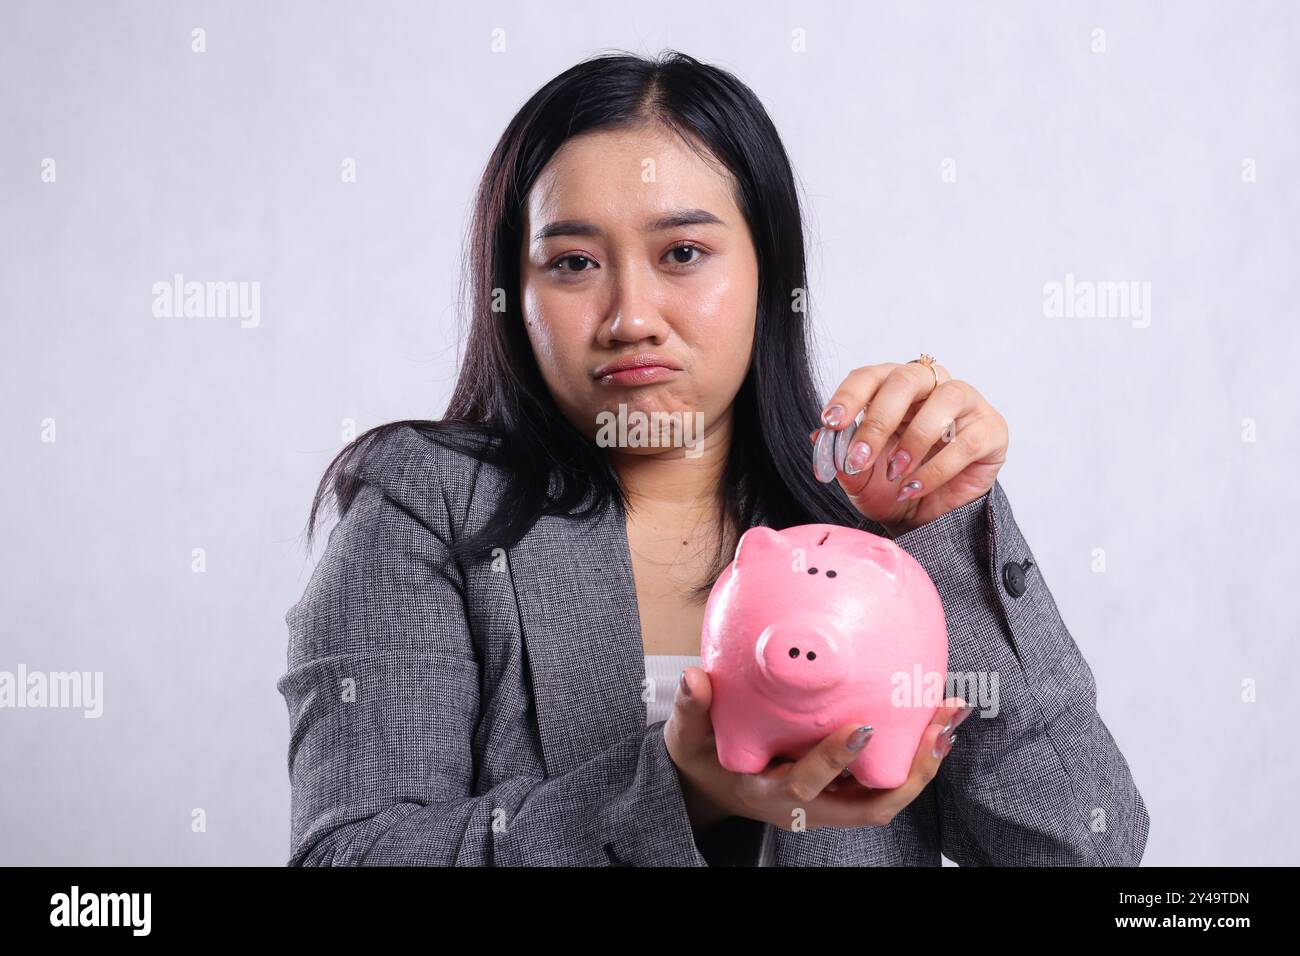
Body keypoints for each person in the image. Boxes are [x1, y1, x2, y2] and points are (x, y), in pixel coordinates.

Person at [276, 49, 1149, 866]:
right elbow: (354, 857)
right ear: (515, 292)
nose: (630, 315)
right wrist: (672, 792)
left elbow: (1083, 849)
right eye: (574, 262)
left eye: (683, 254)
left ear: (771, 272)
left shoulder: (865, 511)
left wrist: (942, 530)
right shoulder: (426, 505)